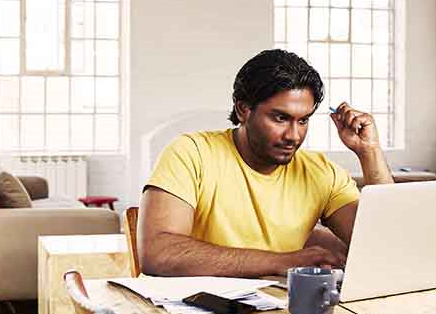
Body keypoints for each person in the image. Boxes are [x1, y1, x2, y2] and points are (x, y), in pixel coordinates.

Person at [138, 49, 394, 277]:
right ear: (243, 110)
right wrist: (282, 261)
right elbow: (159, 253)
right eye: (281, 118)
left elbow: (387, 245)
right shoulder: (191, 153)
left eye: (303, 120)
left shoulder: (322, 173)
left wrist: (369, 152)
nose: (293, 135)